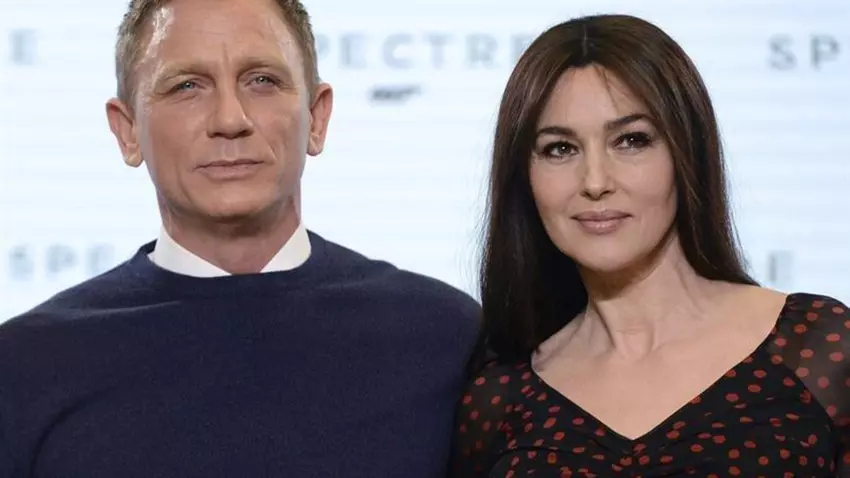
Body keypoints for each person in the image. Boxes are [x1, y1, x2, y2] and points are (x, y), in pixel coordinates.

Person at [0, 0, 480, 476]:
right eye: (187, 86)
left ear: (317, 118)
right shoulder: (27, 365)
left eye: (262, 81)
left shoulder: (446, 338)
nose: (230, 120)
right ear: (127, 132)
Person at [450, 13, 850, 477]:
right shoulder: (499, 400)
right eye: (560, 148)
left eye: (631, 141)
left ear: (686, 151)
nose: (595, 181)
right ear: (525, 176)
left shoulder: (814, 348)